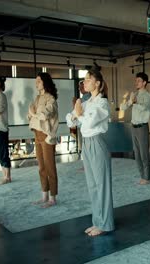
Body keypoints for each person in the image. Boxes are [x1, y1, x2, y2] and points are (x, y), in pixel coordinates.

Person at [66, 69, 114, 237]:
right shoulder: (87, 102)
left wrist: (78, 114)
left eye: (88, 79)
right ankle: (97, 221)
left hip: (97, 143)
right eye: (84, 79)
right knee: (92, 186)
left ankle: (105, 224)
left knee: (102, 186)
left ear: (97, 83)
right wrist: (77, 113)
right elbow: (69, 118)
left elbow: (89, 122)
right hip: (86, 144)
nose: (84, 82)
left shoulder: (102, 103)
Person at [28, 72, 59, 208]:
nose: (36, 83)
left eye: (39, 81)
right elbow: (31, 116)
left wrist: (33, 113)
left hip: (46, 136)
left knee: (50, 167)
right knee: (41, 167)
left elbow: (45, 114)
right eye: (36, 81)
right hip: (36, 134)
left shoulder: (50, 98)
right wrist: (31, 114)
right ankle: (44, 195)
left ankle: (53, 198)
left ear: (45, 82)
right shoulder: (37, 98)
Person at [120, 72, 150, 185]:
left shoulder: (148, 96)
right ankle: (142, 176)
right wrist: (130, 101)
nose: (136, 83)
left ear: (144, 82)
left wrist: (135, 102)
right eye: (136, 81)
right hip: (133, 127)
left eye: (139, 81)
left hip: (142, 127)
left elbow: (144, 108)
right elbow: (123, 107)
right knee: (137, 153)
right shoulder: (134, 94)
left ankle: (147, 177)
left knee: (144, 153)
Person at [71, 80, 92, 153]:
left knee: (84, 147)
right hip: (83, 124)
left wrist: (74, 103)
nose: (79, 89)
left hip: (84, 125)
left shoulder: (87, 98)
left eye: (81, 87)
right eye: (79, 88)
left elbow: (78, 112)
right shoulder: (85, 97)